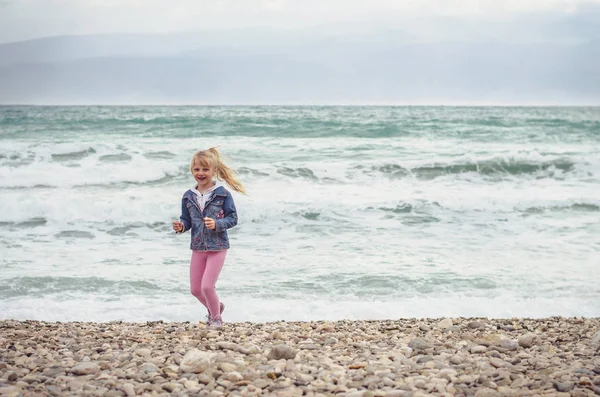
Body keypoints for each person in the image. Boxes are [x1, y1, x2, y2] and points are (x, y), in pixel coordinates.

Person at [172, 147, 245, 327]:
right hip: (198, 247)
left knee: (207, 287)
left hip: (218, 246)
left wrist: (217, 224)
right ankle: (217, 308)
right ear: (192, 171)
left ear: (214, 171)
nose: (201, 173)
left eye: (205, 169)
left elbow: (233, 218)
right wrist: (181, 227)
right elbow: (186, 220)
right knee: (196, 290)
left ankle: (216, 318)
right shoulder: (188, 196)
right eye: (197, 169)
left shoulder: (222, 194)